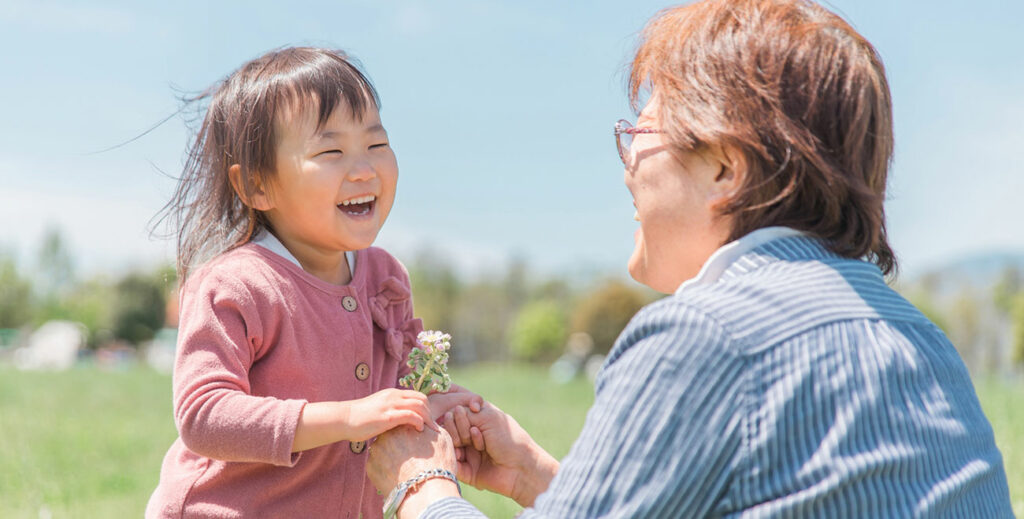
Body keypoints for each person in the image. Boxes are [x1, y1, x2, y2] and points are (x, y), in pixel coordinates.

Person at [365, 0, 1015, 517]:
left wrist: (422, 487)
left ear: (725, 168)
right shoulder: (923, 342)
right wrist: (543, 479)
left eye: (638, 136)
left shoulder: (709, 335)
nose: (626, 171)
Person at [145, 47, 478, 518]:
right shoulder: (235, 284)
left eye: (376, 144)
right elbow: (204, 416)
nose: (363, 168)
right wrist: (345, 418)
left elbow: (396, 394)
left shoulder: (385, 277)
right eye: (331, 151)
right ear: (258, 186)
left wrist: (441, 407)